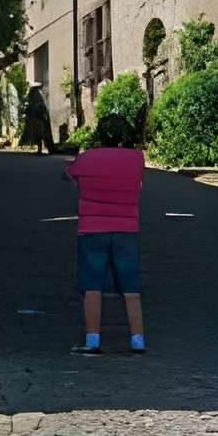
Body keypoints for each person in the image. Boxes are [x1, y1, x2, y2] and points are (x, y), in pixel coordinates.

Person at [64, 112, 146, 354]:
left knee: (92, 287)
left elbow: (69, 175)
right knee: (131, 288)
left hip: (91, 230)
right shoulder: (136, 159)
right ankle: (138, 339)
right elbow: (139, 184)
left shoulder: (87, 158)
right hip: (127, 230)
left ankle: (93, 340)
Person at [22, 82, 53, 154]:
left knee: (41, 134)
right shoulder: (35, 95)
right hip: (38, 117)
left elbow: (41, 106)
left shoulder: (34, 95)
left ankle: (43, 148)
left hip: (38, 117)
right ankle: (43, 148)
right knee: (42, 134)